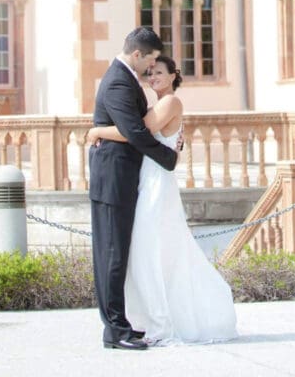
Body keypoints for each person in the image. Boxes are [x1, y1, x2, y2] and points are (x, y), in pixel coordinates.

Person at [88, 53, 238, 345]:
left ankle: (160, 322)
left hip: (156, 186)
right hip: (148, 181)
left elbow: (136, 132)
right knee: (153, 252)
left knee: (148, 253)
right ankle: (153, 317)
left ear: (173, 76)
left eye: (159, 72)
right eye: (151, 73)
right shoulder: (158, 104)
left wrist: (97, 130)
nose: (153, 77)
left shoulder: (169, 102)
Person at [89, 27, 178, 351]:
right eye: (150, 60)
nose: (151, 67)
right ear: (137, 54)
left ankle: (122, 324)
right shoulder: (117, 81)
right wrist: (169, 157)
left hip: (124, 177)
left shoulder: (125, 79)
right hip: (113, 179)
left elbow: (138, 127)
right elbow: (136, 132)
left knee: (118, 253)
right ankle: (114, 330)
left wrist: (98, 129)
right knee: (112, 255)